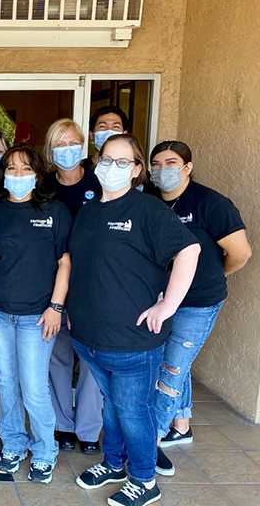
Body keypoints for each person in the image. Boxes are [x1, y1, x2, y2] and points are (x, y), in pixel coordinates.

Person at [70, 134, 201, 506]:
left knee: (132, 411)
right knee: (111, 406)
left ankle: (144, 480)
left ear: (137, 170)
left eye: (122, 162)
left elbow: (189, 250)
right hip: (90, 337)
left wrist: (167, 305)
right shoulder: (90, 209)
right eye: (106, 159)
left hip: (133, 341)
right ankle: (113, 463)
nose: (111, 168)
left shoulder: (147, 210)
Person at [148, 141, 251, 477]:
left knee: (171, 370)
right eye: (157, 163)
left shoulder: (211, 203)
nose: (164, 169)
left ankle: (151, 442)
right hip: (159, 300)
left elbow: (240, 253)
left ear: (188, 167)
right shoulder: (149, 201)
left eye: (172, 162)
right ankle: (182, 424)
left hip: (197, 302)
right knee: (176, 362)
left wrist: (212, 276)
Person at [0, 144, 71, 484]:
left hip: (38, 316)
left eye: (25, 168)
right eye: (11, 169)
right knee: (6, 382)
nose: (18, 175)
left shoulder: (56, 211)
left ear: (38, 174)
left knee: (34, 387)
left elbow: (65, 262)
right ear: (2, 174)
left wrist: (56, 308)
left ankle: (45, 450)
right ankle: (13, 444)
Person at [43, 118, 103, 455]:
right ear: (51, 151)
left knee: (92, 361)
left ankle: (90, 429)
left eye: (73, 143)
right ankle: (62, 424)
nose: (67, 150)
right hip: (53, 286)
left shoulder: (100, 182)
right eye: (60, 144)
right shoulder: (43, 187)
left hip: (94, 286)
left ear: (84, 146)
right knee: (58, 359)